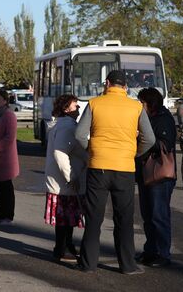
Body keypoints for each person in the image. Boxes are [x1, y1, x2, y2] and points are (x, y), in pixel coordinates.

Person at [75, 70, 155, 274]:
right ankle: (127, 265)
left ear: (107, 83)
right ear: (125, 87)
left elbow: (79, 134)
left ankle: (88, 263)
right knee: (124, 218)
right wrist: (134, 153)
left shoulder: (94, 103)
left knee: (94, 216)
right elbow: (150, 139)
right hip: (124, 168)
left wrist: (92, 150)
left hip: (98, 167)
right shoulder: (136, 107)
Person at [135, 88, 177, 267]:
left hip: (160, 174)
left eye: (141, 102)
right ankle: (150, 250)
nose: (139, 105)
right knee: (148, 215)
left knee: (159, 215)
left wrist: (142, 140)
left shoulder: (163, 118)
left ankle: (163, 253)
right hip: (145, 172)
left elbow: (165, 144)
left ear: (150, 103)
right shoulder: (145, 118)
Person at [44, 94, 87, 262]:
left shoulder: (60, 125)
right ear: (65, 108)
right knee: (66, 220)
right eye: (75, 105)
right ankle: (63, 249)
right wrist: (71, 177)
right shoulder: (67, 127)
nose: (78, 108)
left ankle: (63, 247)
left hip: (59, 181)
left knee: (65, 220)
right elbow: (60, 154)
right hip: (65, 182)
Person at [0, 90, 20, 226]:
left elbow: (9, 138)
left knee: (6, 188)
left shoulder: (9, 115)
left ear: (5, 101)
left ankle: (8, 215)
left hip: (6, 158)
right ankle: (1, 214)